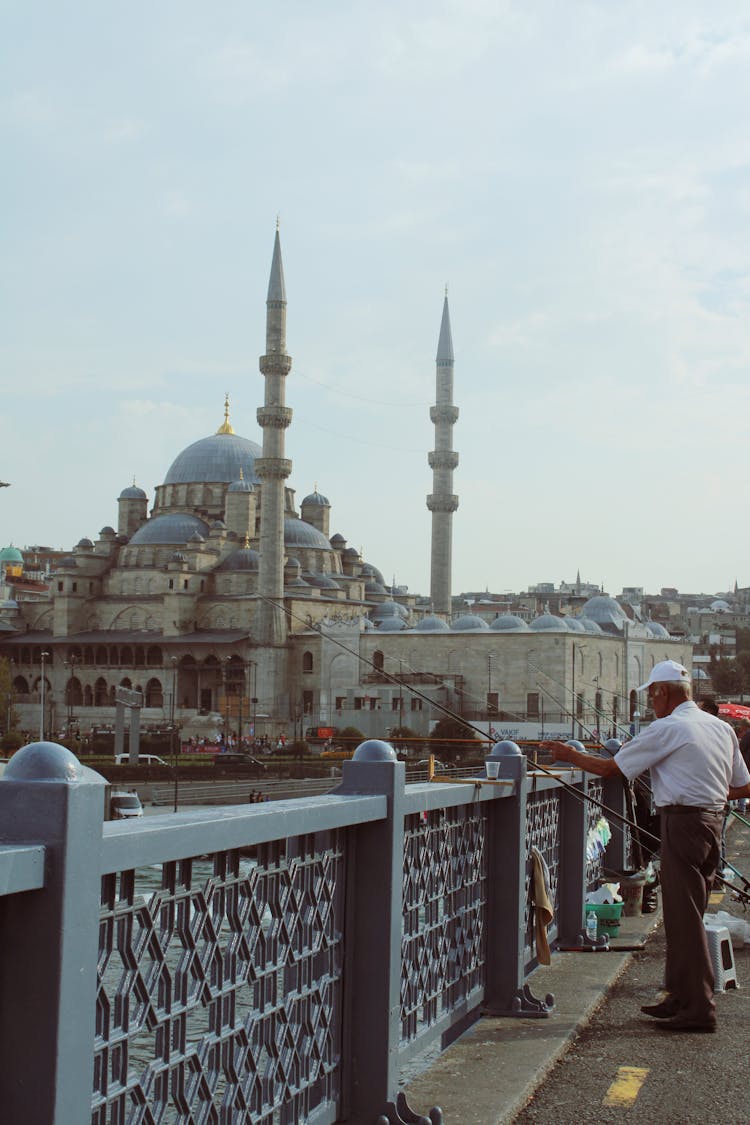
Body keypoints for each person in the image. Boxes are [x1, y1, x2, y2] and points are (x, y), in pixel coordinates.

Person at [543, 659, 750, 1033]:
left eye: (652, 693)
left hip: (683, 824)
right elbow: (743, 783)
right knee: (685, 914)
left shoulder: (668, 727)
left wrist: (568, 754)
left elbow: (612, 769)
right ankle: (679, 996)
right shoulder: (720, 728)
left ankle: (700, 1008)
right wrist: (711, 797)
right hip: (711, 825)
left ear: (663, 692)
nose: (650, 702)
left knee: (684, 920)